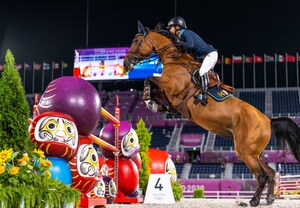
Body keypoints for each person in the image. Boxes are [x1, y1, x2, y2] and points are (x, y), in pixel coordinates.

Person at [167, 16, 218, 106]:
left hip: (210, 54)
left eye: (171, 27)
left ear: (177, 27)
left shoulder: (185, 33)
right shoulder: (181, 36)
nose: (169, 30)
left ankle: (204, 95)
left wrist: (178, 41)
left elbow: (190, 45)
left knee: (202, 71)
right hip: (203, 56)